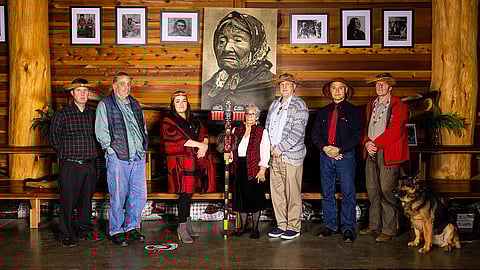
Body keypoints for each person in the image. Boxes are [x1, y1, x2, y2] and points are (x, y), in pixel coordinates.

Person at [95, 72, 148, 247]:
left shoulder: (134, 103)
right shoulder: (106, 104)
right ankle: (116, 230)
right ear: (114, 85)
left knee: (139, 195)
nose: (126, 87)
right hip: (118, 156)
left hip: (138, 156)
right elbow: (101, 130)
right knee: (118, 195)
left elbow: (142, 126)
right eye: (122, 83)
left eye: (128, 84)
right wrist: (110, 150)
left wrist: (144, 144)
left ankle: (131, 226)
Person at [50, 78, 100, 247]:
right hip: (70, 164)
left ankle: (85, 231)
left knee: (86, 200)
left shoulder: (93, 114)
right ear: (72, 94)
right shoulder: (62, 114)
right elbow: (54, 139)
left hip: (90, 163)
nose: (82, 94)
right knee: (68, 201)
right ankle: (65, 234)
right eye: (79, 91)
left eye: (85, 91)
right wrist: (66, 154)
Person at [359, 73, 409, 242]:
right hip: (371, 151)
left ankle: (389, 229)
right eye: (377, 84)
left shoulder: (398, 105)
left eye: (383, 84)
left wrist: (375, 144)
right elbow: (364, 128)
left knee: (387, 190)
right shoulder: (370, 105)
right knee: (372, 189)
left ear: (390, 87)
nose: (380, 86)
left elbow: (396, 131)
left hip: (388, 153)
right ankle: (374, 225)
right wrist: (366, 142)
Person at [162, 91, 216, 244]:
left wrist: (204, 145)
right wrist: (200, 145)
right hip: (180, 164)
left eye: (183, 101)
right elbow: (178, 140)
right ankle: (182, 228)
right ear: (173, 104)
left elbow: (204, 134)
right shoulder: (169, 120)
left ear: (187, 103)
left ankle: (188, 224)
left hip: (194, 161)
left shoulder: (194, 120)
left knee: (190, 194)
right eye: (177, 101)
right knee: (184, 194)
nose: (181, 104)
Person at [312, 78, 361, 243]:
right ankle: (330, 225)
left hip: (345, 157)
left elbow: (357, 135)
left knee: (348, 192)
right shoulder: (323, 112)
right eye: (334, 88)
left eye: (341, 88)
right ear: (330, 91)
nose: (337, 91)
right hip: (325, 156)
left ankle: (348, 227)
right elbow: (315, 134)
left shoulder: (354, 111)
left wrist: (339, 149)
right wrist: (326, 149)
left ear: (346, 90)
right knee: (327, 192)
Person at [202, 11, 275, 110]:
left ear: (256, 46)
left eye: (238, 40)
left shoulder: (269, 86)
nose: (227, 48)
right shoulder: (210, 87)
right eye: (222, 41)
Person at [265, 73, 309, 240]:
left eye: (288, 84)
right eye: (281, 84)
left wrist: (280, 148)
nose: (284, 87)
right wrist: (269, 147)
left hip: (290, 156)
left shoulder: (299, 105)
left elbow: (298, 132)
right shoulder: (275, 104)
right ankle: (281, 224)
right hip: (273, 155)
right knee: (277, 193)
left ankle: (293, 226)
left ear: (294, 86)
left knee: (292, 193)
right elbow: (269, 127)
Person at [225, 104, 270, 239]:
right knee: (241, 199)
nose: (249, 116)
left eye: (252, 114)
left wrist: (262, 169)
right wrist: (229, 156)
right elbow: (232, 148)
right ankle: (243, 227)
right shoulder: (236, 130)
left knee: (254, 198)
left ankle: (255, 228)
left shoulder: (262, 131)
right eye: (247, 114)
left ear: (256, 116)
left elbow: (265, 152)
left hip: (254, 168)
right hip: (239, 167)